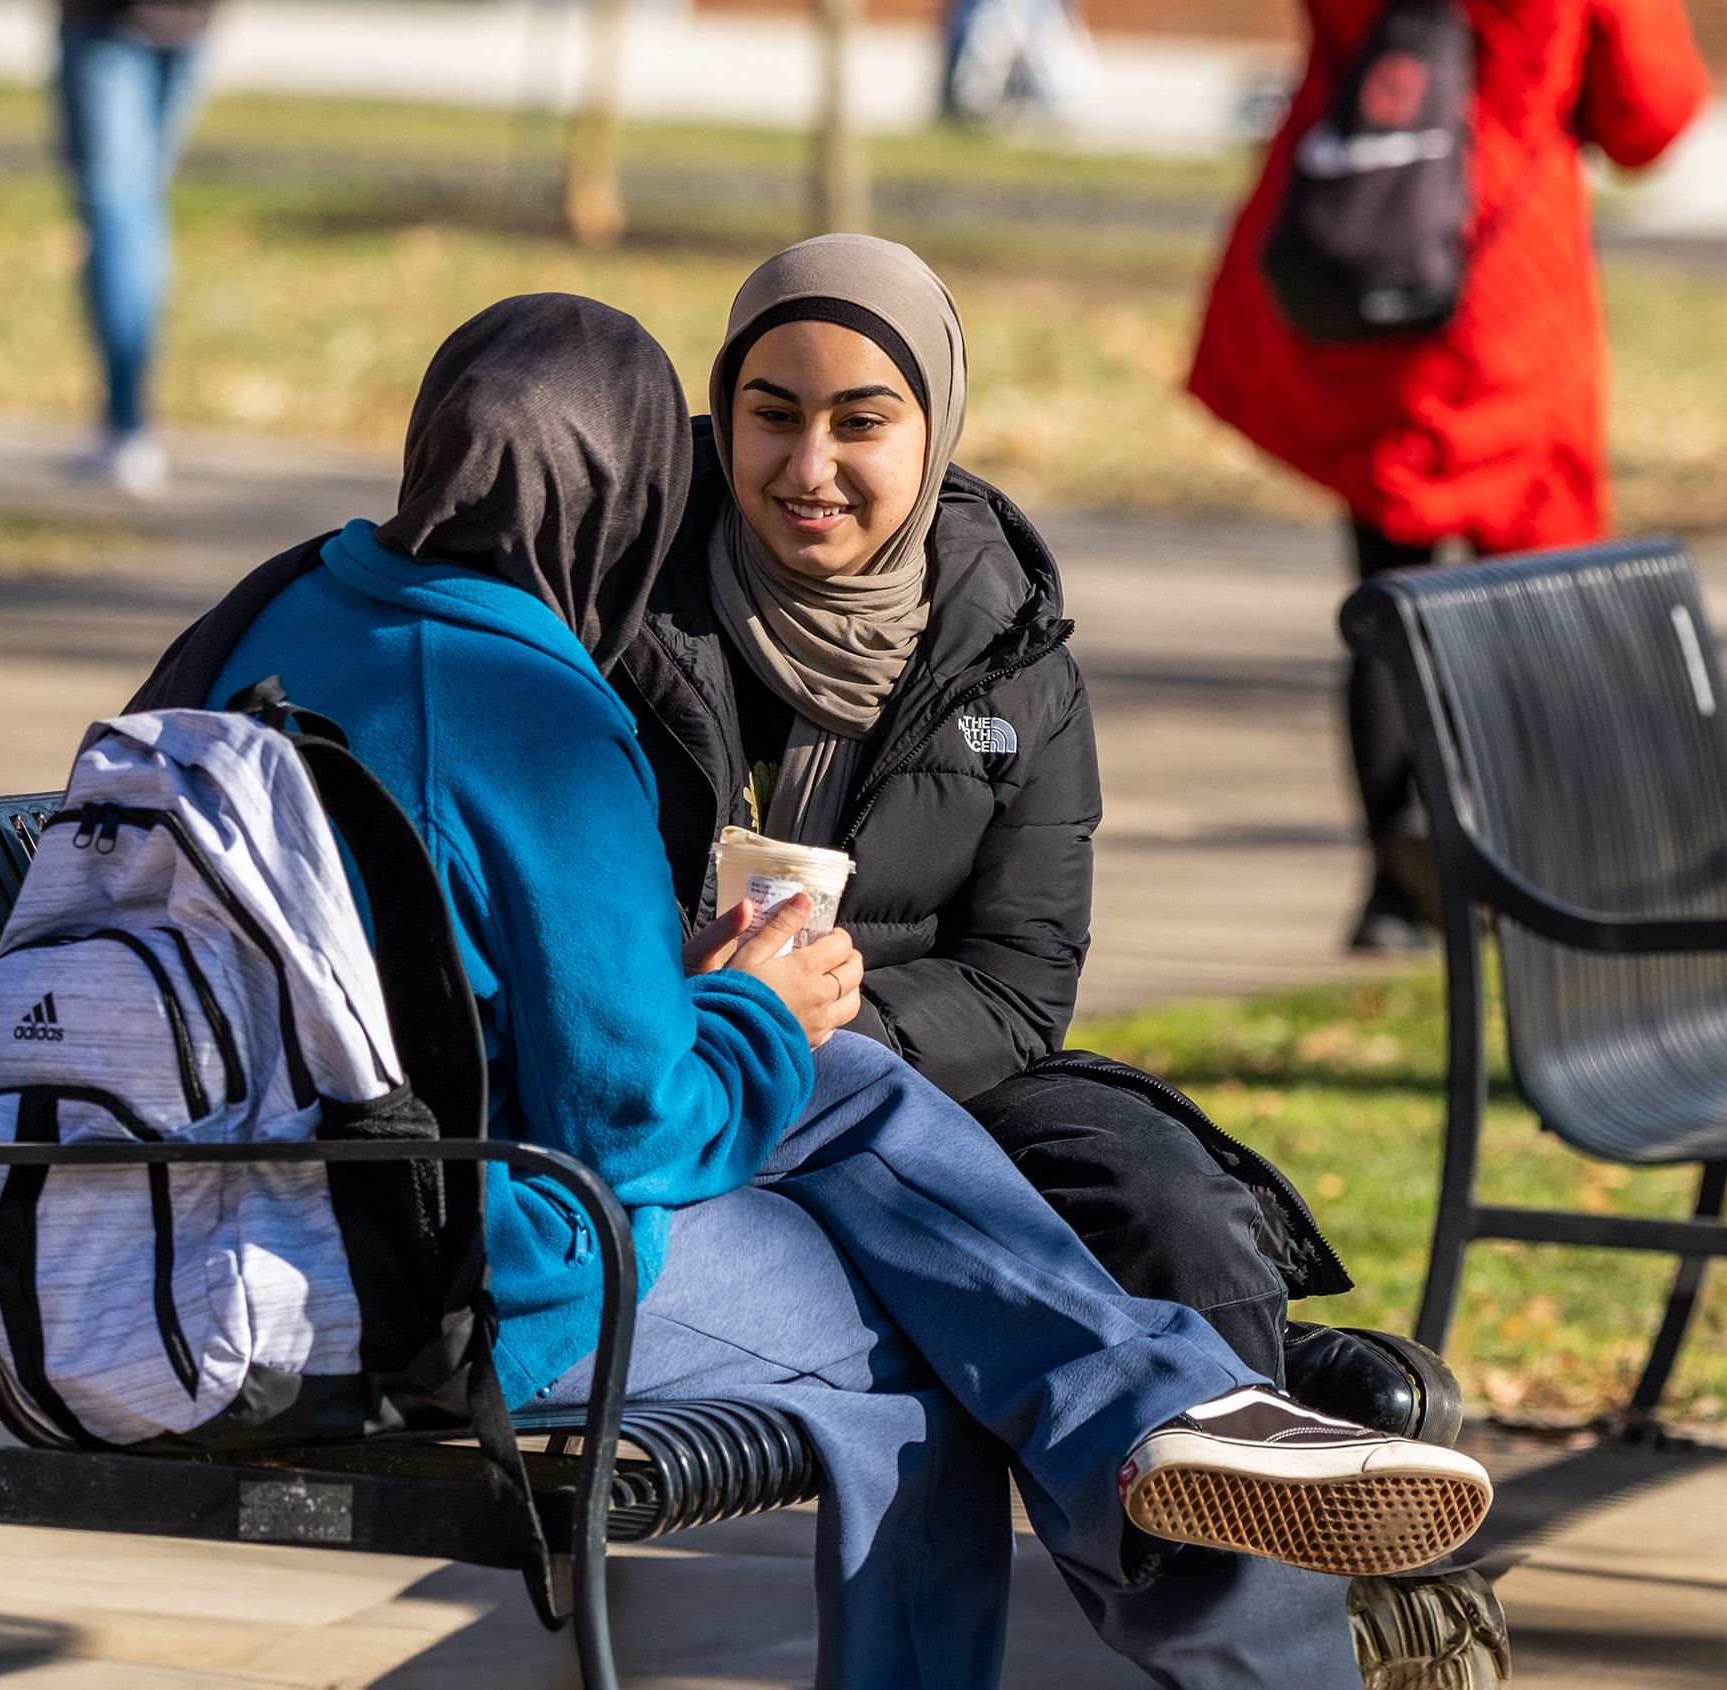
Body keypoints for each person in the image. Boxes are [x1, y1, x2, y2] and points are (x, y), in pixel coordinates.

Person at [128, 293, 1491, 1686]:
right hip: (428, 1271)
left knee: (848, 1098)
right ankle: (1177, 1431)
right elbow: (638, 1127)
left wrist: (753, 1016)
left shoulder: (267, 615)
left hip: (183, 1220)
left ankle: (1161, 1401)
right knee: (923, 1333)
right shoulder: (525, 704)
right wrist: (759, 1011)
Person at [611, 233, 1511, 1685]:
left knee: (1165, 1200)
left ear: (936, 420)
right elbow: (565, 925)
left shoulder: (1007, 646)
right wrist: (740, 1011)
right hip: (686, 1074)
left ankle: (1268, 1500)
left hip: (930, 1073)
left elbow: (1022, 981)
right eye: (770, 413)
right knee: (925, 1289)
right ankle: (1290, 1593)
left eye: (861, 421)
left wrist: (841, 1032)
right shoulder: (630, 617)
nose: (807, 466)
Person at [1188, 0, 1708, 952]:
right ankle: (1522, 879)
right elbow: (1650, 113)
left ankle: (1397, 888)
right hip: (1504, 275)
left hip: (1368, 249)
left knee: (1388, 589)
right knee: (1531, 598)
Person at [56, 0, 221, 497]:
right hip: (189, 20)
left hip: (110, 19)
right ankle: (126, 423)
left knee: (120, 212)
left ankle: (127, 423)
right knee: (136, 206)